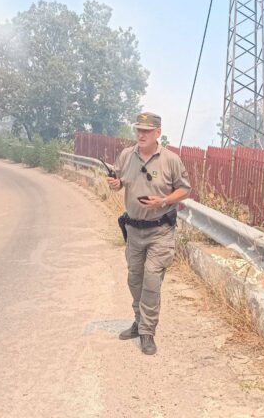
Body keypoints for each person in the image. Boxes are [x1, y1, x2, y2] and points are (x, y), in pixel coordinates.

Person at [107, 112, 191, 355]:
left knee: (152, 280)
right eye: (138, 130)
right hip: (133, 230)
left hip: (160, 231)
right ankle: (138, 320)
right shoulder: (126, 155)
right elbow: (120, 181)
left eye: (146, 131)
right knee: (135, 278)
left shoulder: (171, 160)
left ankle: (147, 331)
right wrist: (115, 184)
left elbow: (185, 189)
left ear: (158, 133)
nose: (141, 135)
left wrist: (163, 200)